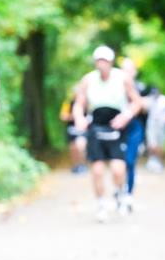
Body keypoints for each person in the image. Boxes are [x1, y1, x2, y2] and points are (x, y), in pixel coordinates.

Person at [72, 46, 142, 222]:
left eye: (104, 60)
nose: (101, 64)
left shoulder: (122, 78)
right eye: (98, 60)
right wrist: (79, 118)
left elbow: (136, 102)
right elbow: (79, 104)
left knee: (118, 170)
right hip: (96, 127)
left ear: (110, 62)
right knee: (97, 171)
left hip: (116, 128)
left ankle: (120, 192)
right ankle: (101, 204)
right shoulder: (88, 80)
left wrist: (125, 117)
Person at [118, 57, 157, 210]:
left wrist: (139, 103)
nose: (126, 73)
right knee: (118, 162)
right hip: (118, 129)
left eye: (129, 69)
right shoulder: (115, 88)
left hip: (135, 128)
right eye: (123, 69)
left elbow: (148, 106)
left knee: (130, 161)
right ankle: (119, 189)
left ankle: (128, 193)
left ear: (134, 72)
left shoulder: (141, 87)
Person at [145, 86, 165, 172]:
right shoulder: (149, 99)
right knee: (151, 142)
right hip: (151, 123)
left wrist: (164, 119)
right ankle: (151, 160)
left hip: (161, 124)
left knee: (160, 143)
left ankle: (158, 160)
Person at [60, 92, 88, 174]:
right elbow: (63, 116)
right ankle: (76, 165)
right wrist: (74, 117)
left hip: (83, 129)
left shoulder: (86, 103)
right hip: (72, 129)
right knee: (73, 148)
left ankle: (83, 165)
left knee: (82, 147)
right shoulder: (68, 103)